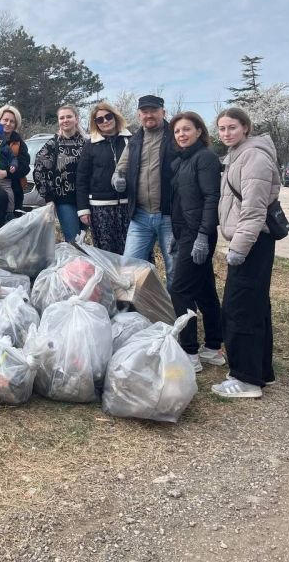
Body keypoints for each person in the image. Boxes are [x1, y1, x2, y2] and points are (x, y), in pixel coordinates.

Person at [211, 107, 281, 399]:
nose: (226, 133)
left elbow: (253, 210)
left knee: (239, 309)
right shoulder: (238, 155)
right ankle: (261, 370)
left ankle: (246, 379)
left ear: (246, 127)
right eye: (222, 128)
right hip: (250, 242)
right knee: (255, 307)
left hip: (251, 243)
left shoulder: (254, 157)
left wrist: (238, 248)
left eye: (232, 128)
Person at [169, 111, 224, 373]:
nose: (181, 134)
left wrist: (203, 235)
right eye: (178, 131)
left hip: (198, 233)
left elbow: (211, 198)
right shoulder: (183, 160)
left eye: (186, 129)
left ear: (199, 131)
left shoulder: (206, 158)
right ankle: (213, 347)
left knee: (179, 289)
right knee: (204, 290)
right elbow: (180, 202)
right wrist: (177, 236)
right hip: (186, 232)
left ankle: (189, 352)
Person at [112, 95, 177, 288]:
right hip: (140, 217)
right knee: (128, 267)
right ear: (139, 115)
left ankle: (174, 312)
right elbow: (119, 169)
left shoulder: (175, 137)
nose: (149, 115)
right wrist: (117, 180)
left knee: (174, 269)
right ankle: (132, 312)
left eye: (154, 111)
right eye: (145, 111)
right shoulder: (134, 141)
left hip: (169, 216)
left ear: (163, 113)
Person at [76, 101, 131, 253]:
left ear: (115, 117)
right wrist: (83, 209)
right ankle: (111, 278)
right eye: (99, 119)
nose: (105, 121)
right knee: (107, 253)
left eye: (108, 116)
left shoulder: (130, 141)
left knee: (131, 252)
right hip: (100, 208)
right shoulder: (90, 145)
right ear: (95, 123)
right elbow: (81, 179)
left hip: (128, 205)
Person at [33, 104, 87, 242]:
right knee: (73, 241)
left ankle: (83, 264)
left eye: (69, 116)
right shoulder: (52, 144)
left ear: (76, 119)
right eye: (62, 118)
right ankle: (74, 263)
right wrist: (49, 198)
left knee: (83, 240)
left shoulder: (87, 143)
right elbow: (40, 170)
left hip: (86, 200)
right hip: (65, 200)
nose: (65, 120)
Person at [0, 104, 31, 233]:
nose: (8, 123)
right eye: (5, 120)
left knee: (13, 229)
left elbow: (24, 167)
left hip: (15, 190)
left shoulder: (19, 143)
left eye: (12, 121)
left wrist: (5, 173)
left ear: (15, 124)